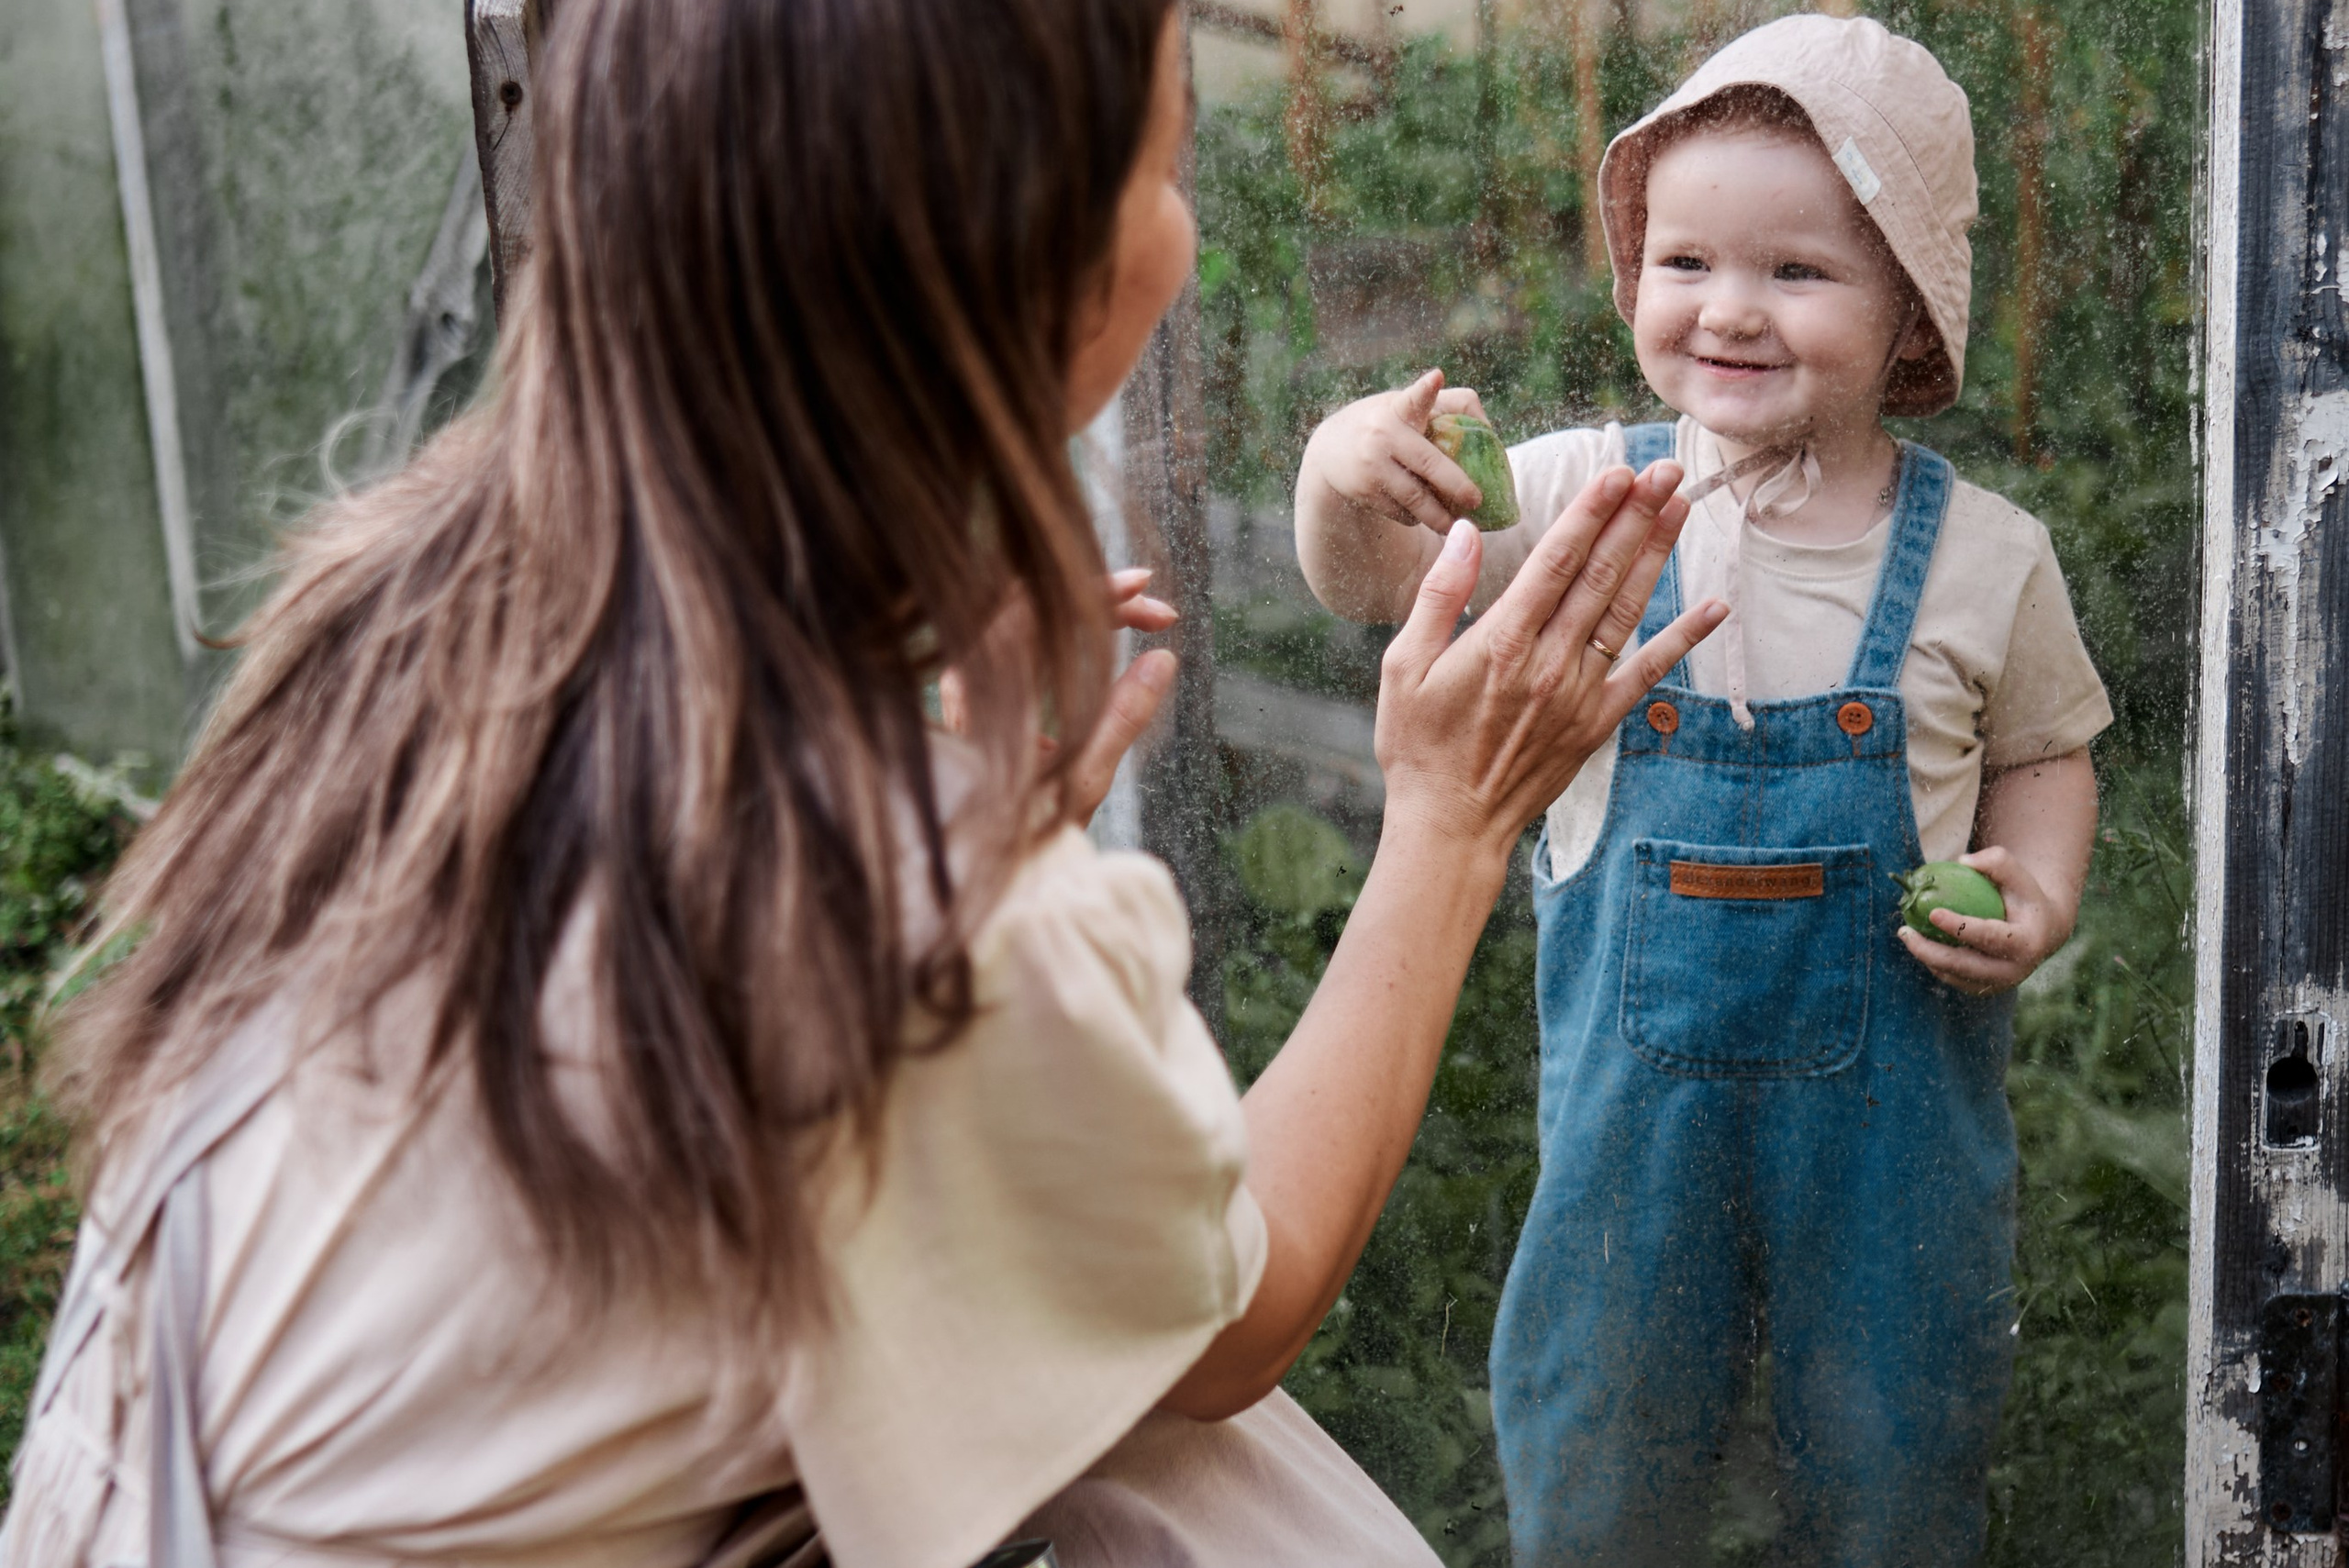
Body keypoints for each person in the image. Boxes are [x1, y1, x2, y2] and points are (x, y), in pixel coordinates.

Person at [0, 3, 1722, 1566]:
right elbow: (1233, 1316)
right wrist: (1452, 813)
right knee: (1211, 1456)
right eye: (1171, 157)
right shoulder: (889, 899)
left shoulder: (416, 593)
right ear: (1037, 271)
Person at [1293, 16, 2111, 1566]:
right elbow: (1371, 580)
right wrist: (1347, 470)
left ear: (1909, 316)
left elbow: (2042, 755)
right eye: (1685, 263)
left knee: (1895, 1463)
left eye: (1796, 273)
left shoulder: (1987, 558)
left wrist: (2041, 885)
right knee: (1600, 1455)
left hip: (1890, 1172)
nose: (1729, 309)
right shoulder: (1572, 498)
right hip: (1628, 1176)